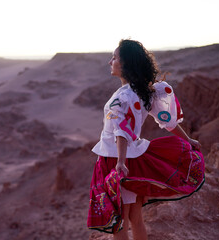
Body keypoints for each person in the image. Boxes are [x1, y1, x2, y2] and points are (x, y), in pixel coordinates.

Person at [87, 39, 205, 240]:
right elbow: (168, 122)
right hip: (133, 157)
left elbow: (121, 132)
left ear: (125, 64)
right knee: (135, 217)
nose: (110, 62)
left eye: (114, 58)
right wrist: (189, 140)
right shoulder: (142, 93)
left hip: (116, 160)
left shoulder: (121, 97)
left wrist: (121, 163)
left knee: (119, 222)